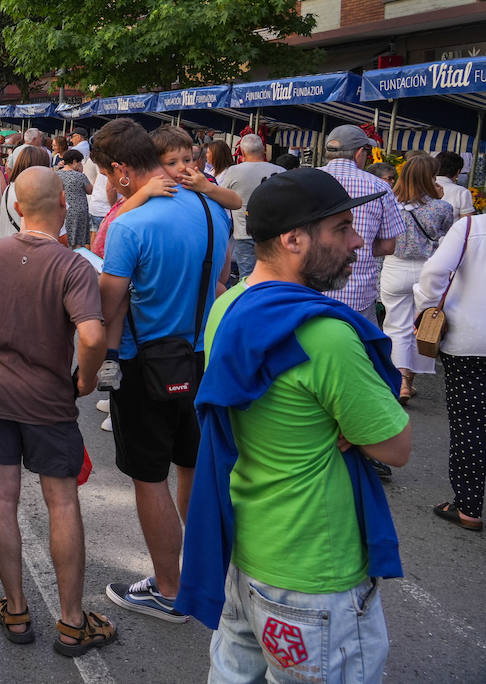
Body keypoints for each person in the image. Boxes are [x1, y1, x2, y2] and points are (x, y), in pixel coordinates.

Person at [178, 168, 411, 681]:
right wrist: (352, 427)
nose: (358, 242)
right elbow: (394, 446)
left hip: (248, 552)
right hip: (314, 569)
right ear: (293, 239)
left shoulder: (228, 305)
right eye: (343, 229)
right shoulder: (324, 335)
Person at [0, 168, 115, 656]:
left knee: (1, 498)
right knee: (61, 503)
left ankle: (15, 608)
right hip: (48, 399)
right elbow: (92, 336)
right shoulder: (72, 266)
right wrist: (87, 379)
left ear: (17, 207)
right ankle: (72, 623)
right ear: (65, 206)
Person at [92, 118, 231, 623]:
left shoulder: (131, 224)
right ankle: (198, 574)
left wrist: (94, 367)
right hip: (202, 354)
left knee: (149, 478)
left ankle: (170, 590)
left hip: (142, 361)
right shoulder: (213, 207)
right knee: (192, 466)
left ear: (122, 171)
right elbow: (218, 281)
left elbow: (108, 307)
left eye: (108, 174)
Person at [415, 210, 486, 532]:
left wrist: (427, 307)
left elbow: (435, 270)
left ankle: (469, 504)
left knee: (469, 422)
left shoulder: (472, 227)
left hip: (470, 340)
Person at [380, 155, 454, 404]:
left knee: (396, 327)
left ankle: (399, 380)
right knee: (422, 326)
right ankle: (408, 382)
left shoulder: (388, 203)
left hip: (394, 267)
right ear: (429, 178)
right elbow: (445, 238)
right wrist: (439, 200)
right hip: (427, 268)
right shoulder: (441, 207)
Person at [320, 125, 404, 322]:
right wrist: (360, 249)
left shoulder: (305, 180)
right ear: (359, 153)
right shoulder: (379, 186)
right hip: (357, 293)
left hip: (310, 289)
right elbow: (388, 246)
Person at [219, 134, 285, 280]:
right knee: (273, 277)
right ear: (264, 151)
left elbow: (221, 195)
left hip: (244, 232)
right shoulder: (281, 171)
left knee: (247, 278)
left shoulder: (234, 171)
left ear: (242, 153)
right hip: (273, 233)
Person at [57, 149, 92, 248]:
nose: (81, 164)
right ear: (74, 161)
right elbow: (90, 190)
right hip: (79, 212)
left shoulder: (57, 174)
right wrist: (81, 172)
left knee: (64, 238)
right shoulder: (80, 176)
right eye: (80, 162)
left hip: (63, 210)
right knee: (78, 241)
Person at [435, 152, 475, 219]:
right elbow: (467, 222)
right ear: (458, 172)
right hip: (454, 229)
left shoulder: (422, 187)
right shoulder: (462, 192)